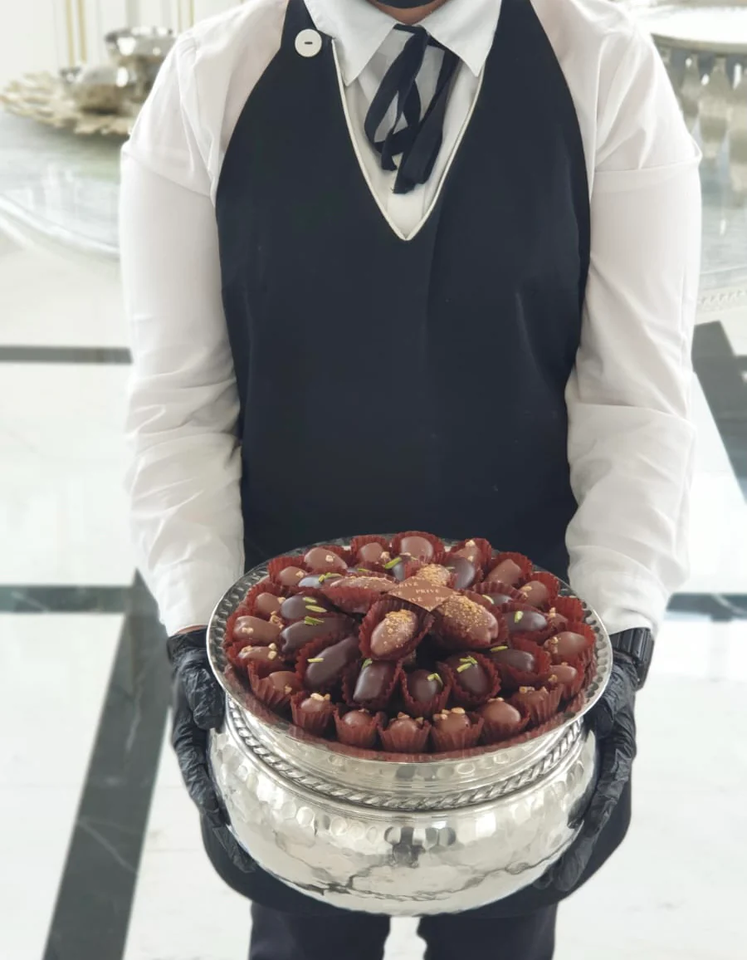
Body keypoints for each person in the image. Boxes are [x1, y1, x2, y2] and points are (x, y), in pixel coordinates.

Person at [120, 0, 701, 956]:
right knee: (300, 934)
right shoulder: (209, 78)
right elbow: (179, 405)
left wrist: (620, 641)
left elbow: (635, 399)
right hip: (292, 672)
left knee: (503, 933)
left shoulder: (603, 67)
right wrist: (194, 634)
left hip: (520, 669)